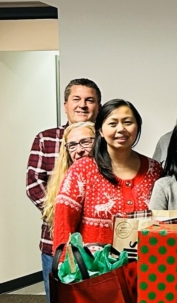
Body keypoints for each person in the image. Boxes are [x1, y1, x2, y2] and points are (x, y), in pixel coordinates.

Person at [25, 77, 100, 303]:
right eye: (77, 99)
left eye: (89, 100)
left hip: (99, 248)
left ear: (98, 105)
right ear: (66, 104)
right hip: (55, 245)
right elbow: (34, 184)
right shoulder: (46, 138)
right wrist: (66, 217)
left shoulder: (106, 139)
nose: (83, 105)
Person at [53, 99, 162, 251]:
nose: (121, 129)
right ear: (101, 131)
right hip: (96, 271)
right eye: (112, 123)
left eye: (128, 122)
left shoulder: (154, 170)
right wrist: (67, 267)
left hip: (145, 268)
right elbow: (64, 225)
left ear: (137, 127)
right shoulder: (82, 170)